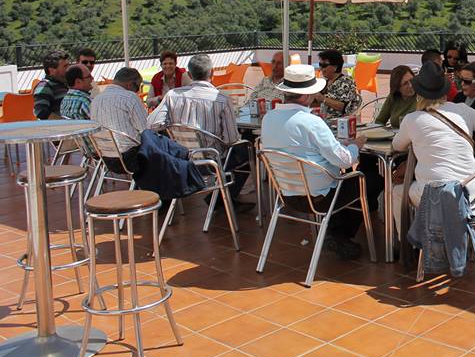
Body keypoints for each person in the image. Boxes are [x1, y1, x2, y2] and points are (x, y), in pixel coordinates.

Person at [260, 63, 378, 260]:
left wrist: (342, 146)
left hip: (287, 195)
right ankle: (339, 233)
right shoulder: (311, 122)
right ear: (307, 95)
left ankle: (335, 230)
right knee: (372, 180)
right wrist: (356, 144)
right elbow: (343, 160)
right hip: (319, 198)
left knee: (344, 181)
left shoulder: (269, 118)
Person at [391, 61, 475, 231]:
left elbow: (397, 145)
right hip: (470, 190)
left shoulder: (412, 119)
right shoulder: (462, 109)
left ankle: (407, 244)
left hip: (436, 194)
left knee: (398, 191)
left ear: (419, 91)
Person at [147, 54, 253, 210]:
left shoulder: (172, 96)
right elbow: (231, 139)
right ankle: (222, 200)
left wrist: (172, 129)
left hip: (181, 159)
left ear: (189, 75)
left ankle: (218, 198)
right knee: (244, 150)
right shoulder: (221, 99)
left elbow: (151, 124)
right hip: (212, 163)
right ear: (212, 73)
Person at [90, 67, 149, 174]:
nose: (138, 92)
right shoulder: (130, 97)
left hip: (106, 157)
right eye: (137, 88)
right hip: (130, 159)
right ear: (131, 84)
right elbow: (146, 130)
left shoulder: (96, 100)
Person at [316, 50, 361, 118]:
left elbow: (343, 107)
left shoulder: (345, 82)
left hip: (339, 121)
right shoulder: (327, 81)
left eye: (324, 65)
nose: (321, 68)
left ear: (335, 67)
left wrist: (322, 98)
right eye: (320, 65)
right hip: (325, 118)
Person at [34, 49, 70, 120]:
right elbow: (40, 111)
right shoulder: (45, 86)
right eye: (65, 66)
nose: (68, 68)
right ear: (52, 70)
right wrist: (63, 122)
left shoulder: (66, 83)